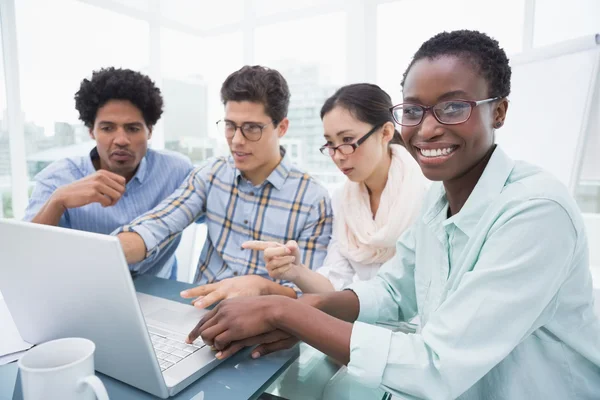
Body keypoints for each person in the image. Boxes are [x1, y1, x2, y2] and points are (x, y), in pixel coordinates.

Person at [186, 30, 600, 399]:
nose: (428, 128)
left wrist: (285, 311)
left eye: (454, 108)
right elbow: (393, 292)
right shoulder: (438, 202)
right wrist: (303, 307)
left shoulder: (536, 211)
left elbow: (437, 365)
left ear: (500, 112)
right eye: (414, 111)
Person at [115, 65, 333, 306]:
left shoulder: (313, 199)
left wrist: (261, 287)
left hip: (269, 324)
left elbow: (312, 296)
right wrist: (110, 251)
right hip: (200, 312)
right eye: (230, 126)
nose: (237, 141)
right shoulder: (212, 173)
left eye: (252, 128)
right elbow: (159, 224)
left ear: (281, 127)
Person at [244, 83, 428, 293]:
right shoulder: (343, 200)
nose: (338, 155)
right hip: (364, 318)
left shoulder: (427, 194)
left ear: (385, 132)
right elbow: (334, 282)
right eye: (330, 144)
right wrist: (294, 271)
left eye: (347, 140)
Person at [24, 67, 193, 279]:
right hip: (84, 291)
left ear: (149, 130)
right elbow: (26, 255)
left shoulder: (177, 171)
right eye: (107, 128)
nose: (121, 140)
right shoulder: (58, 178)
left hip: (159, 293)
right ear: (91, 131)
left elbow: (219, 212)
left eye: (132, 128)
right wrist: (58, 201)